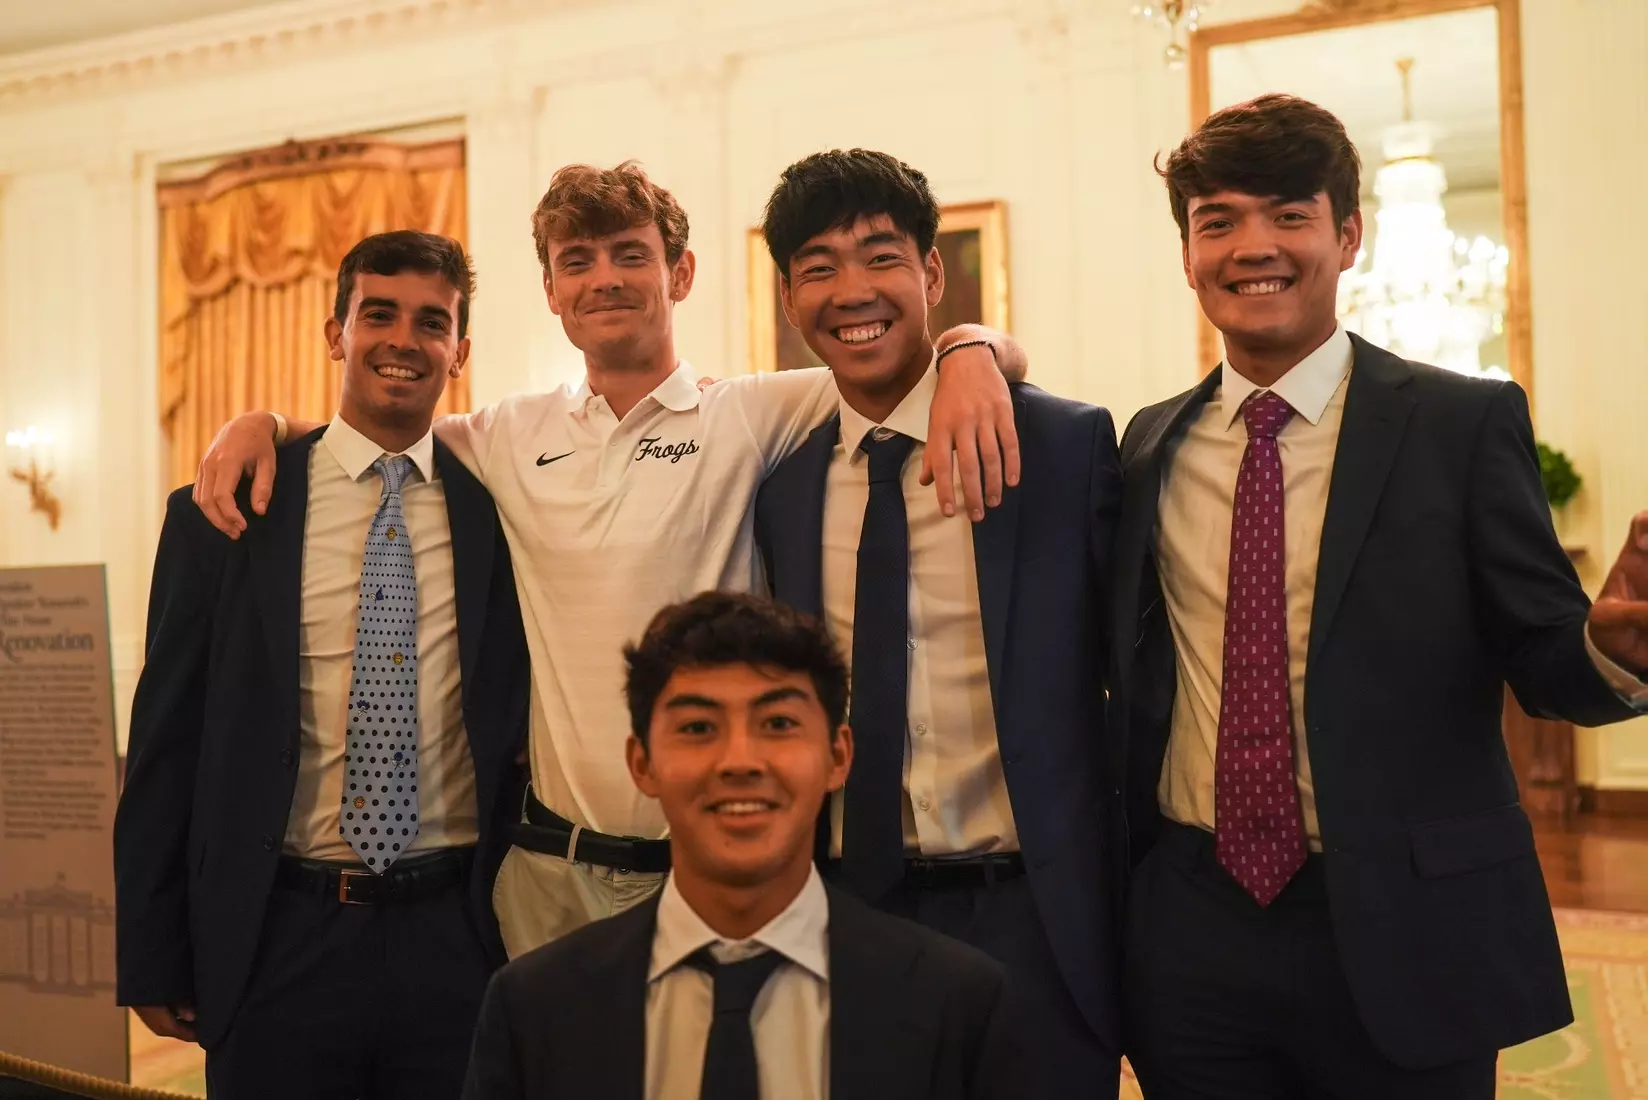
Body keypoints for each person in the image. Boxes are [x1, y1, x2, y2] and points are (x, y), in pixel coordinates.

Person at [188, 161, 1032, 959]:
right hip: (549, 872)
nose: (606, 278)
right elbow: (378, 430)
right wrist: (263, 423)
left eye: (632, 254)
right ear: (552, 290)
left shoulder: (755, 411)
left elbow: (902, 360)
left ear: (683, 272)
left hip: (719, 870)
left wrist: (970, 351)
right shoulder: (508, 434)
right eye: (577, 261)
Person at [1111, 93, 1648, 1098]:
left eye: (1287, 214)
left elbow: (1541, 655)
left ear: (1347, 233)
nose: (1251, 246)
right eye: (1215, 220)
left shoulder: (1460, 424)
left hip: (1406, 918)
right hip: (1191, 925)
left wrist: (1612, 649)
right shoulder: (1148, 444)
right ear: (1186, 252)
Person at [114, 231, 531, 1099]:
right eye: (377, 314)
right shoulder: (227, 509)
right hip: (279, 934)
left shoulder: (502, 507)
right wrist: (151, 949)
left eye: (432, 322)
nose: (403, 341)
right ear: (335, 331)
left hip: (459, 935)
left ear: (459, 352)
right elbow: (166, 739)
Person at [750, 149, 1122, 1097]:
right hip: (845, 910)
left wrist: (973, 348)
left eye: (880, 257)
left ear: (930, 274)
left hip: (1032, 913)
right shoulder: (781, 487)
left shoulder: (1060, 446)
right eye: (818, 268)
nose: (852, 291)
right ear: (790, 298)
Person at [462, 591, 1025, 1100]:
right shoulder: (535, 1007)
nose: (739, 762)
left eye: (778, 723)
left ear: (837, 756)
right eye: (698, 729)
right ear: (643, 763)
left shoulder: (956, 1002)